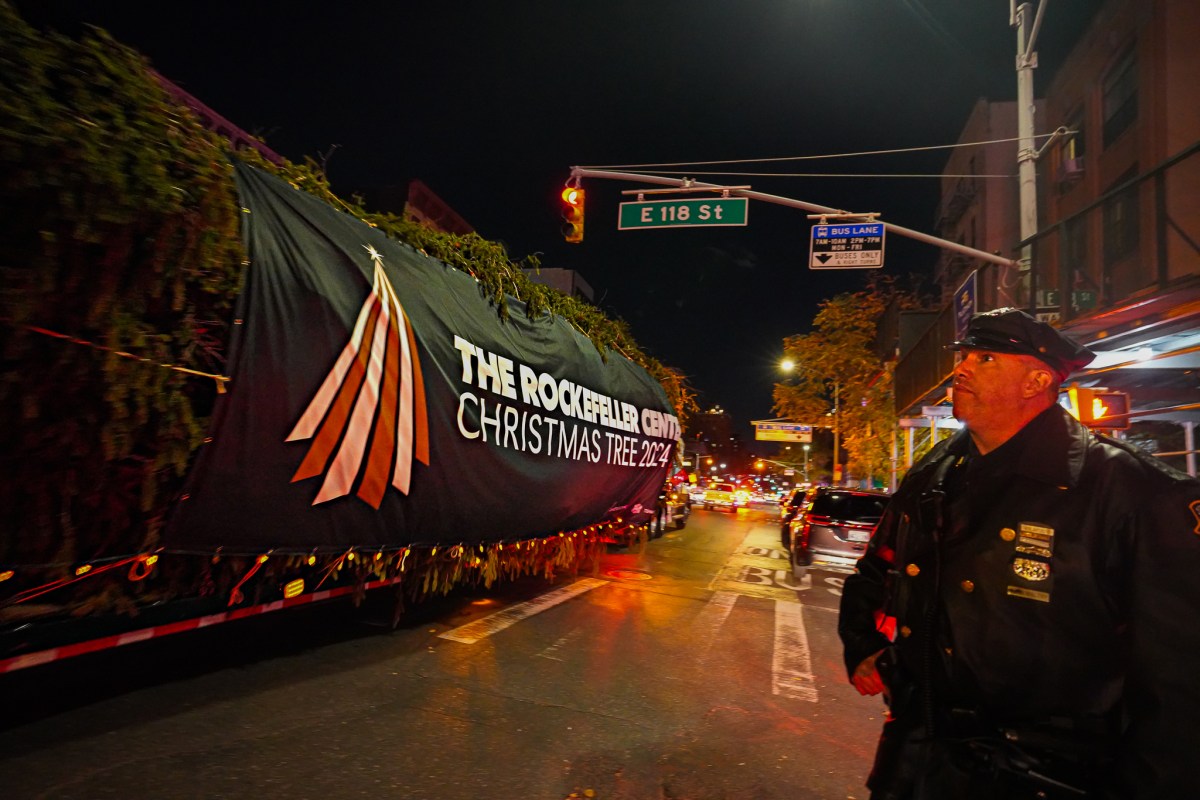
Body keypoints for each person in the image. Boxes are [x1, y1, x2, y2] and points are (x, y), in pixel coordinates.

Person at [838, 307, 1200, 799]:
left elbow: (1178, 684)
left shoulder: (1133, 491)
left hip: (1047, 777)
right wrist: (864, 647)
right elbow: (877, 569)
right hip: (919, 763)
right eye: (963, 356)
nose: (960, 368)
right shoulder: (933, 476)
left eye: (984, 358)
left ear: (1035, 380)